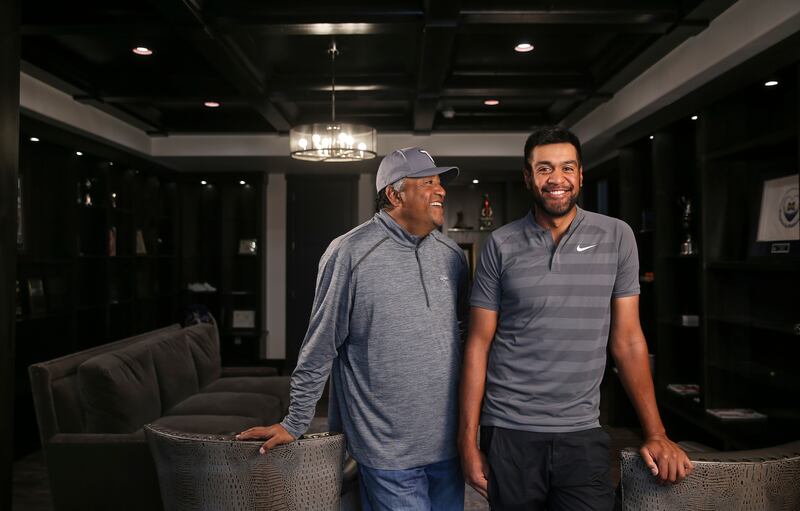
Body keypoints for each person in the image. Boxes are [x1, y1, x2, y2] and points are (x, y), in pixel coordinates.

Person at [458, 127, 693, 510]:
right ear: (528, 177)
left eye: (567, 168)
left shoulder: (617, 236)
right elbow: (478, 344)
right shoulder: (500, 244)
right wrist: (467, 443)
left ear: (581, 175)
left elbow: (628, 340)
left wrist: (656, 432)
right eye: (544, 168)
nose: (557, 179)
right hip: (509, 430)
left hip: (581, 430)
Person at [237, 147, 469, 510]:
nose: (440, 190)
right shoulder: (349, 252)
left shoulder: (452, 256)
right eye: (427, 183)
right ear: (394, 194)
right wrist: (296, 422)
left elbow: (463, 336)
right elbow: (320, 345)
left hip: (448, 444)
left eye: (440, 183)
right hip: (386, 448)